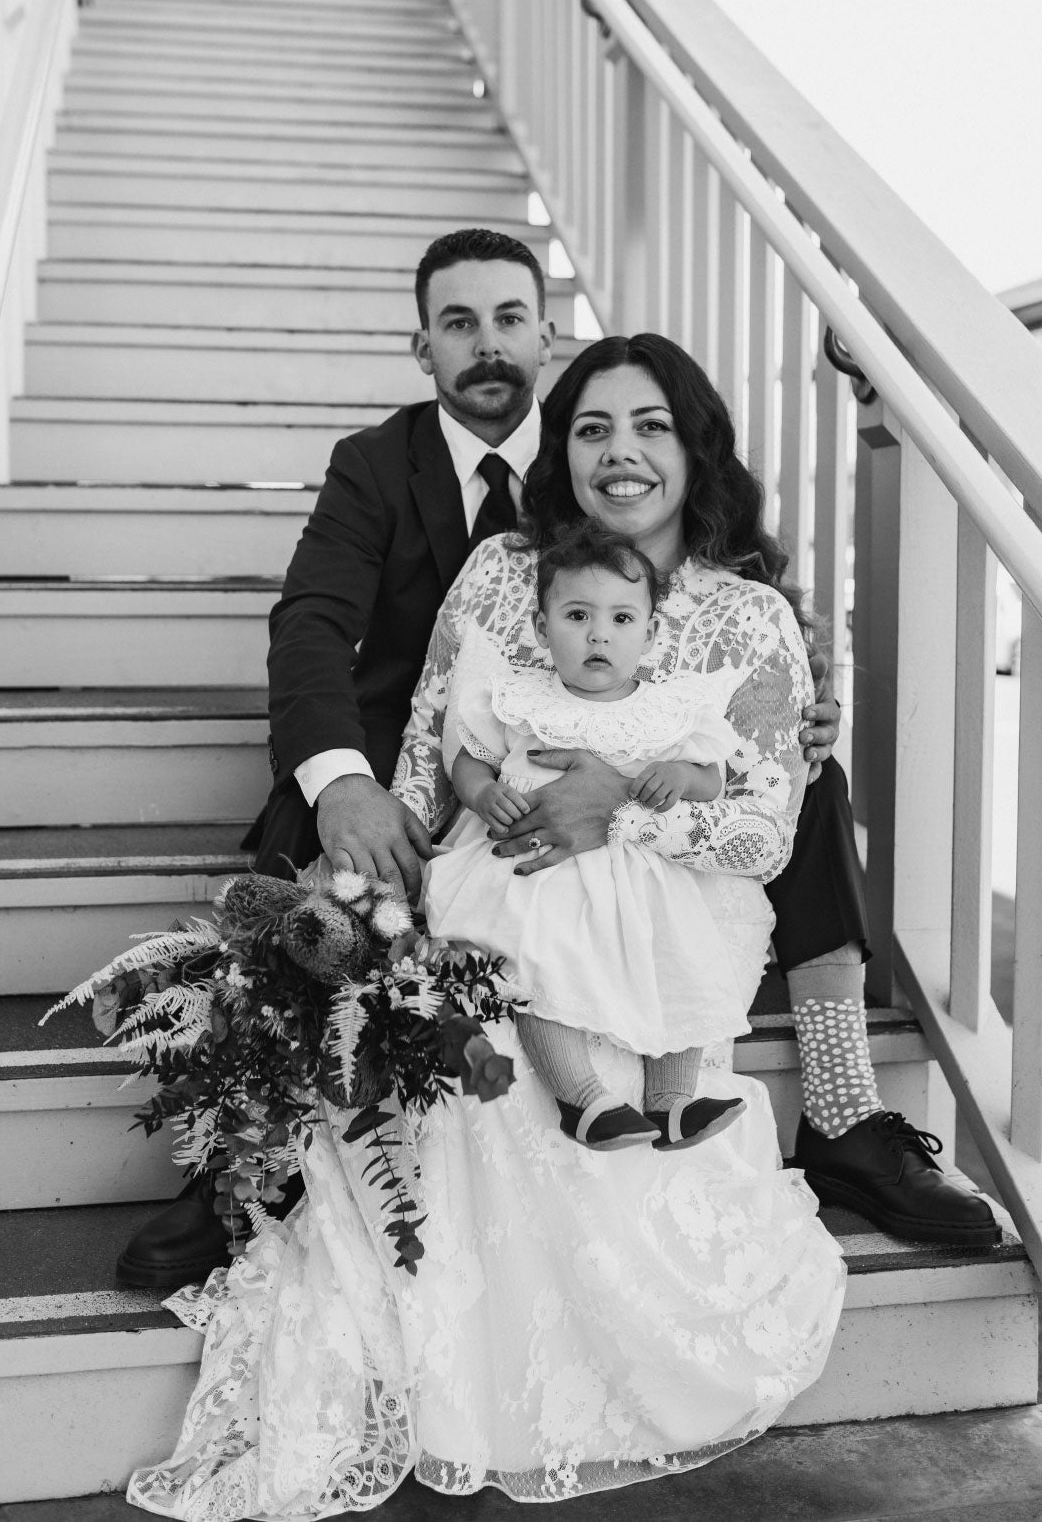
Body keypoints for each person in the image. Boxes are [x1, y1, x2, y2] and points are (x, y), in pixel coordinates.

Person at [116, 227, 994, 1290]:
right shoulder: (446, 523)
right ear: (428, 348)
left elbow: (750, 773)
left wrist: (712, 759)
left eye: (649, 427)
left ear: (544, 339)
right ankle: (258, 1144)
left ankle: (846, 1110)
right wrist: (365, 785)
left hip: (656, 859)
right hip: (433, 765)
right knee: (332, 839)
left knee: (818, 784)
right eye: (459, 322)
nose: (618, 449)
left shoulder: (737, 595)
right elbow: (326, 638)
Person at [127, 336, 848, 1517]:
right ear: (559, 450)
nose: (621, 452)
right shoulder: (499, 575)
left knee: (593, 1069)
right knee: (475, 1049)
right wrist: (373, 919)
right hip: (495, 915)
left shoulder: (751, 616)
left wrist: (615, 806)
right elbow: (426, 756)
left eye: (652, 425)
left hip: (651, 938)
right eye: (593, 428)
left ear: (695, 444)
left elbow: (766, 830)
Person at [428, 519, 750, 1151]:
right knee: (536, 965)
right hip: (538, 871)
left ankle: (674, 1102)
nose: (599, 634)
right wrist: (482, 792)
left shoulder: (667, 709)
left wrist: (680, 775)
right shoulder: (520, 698)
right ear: (543, 628)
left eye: (622, 620)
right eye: (577, 615)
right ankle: (583, 1101)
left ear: (651, 633)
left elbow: (715, 779)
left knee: (677, 962)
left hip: (633, 877)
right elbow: (467, 756)